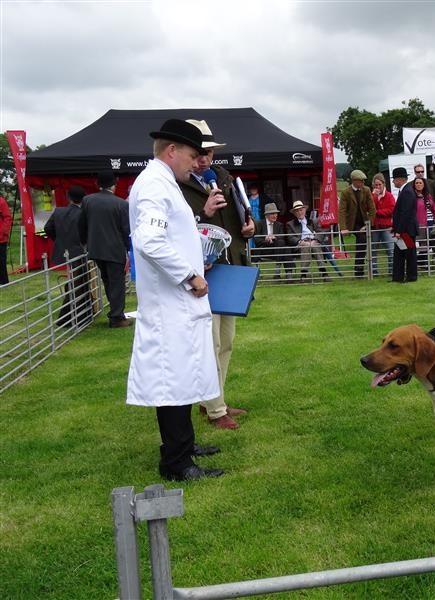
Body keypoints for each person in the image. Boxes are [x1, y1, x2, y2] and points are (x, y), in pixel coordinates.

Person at [127, 118, 223, 481]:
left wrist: (200, 252)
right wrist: (189, 275)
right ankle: (176, 462)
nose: (196, 163)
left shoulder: (164, 182)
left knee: (184, 377)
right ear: (172, 150)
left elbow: (173, 235)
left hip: (178, 302)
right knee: (173, 381)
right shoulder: (155, 184)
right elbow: (150, 241)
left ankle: (184, 445)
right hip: (171, 302)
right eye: (192, 155)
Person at [179, 119, 253, 430]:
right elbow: (178, 229)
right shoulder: (178, 184)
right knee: (209, 343)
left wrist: (250, 226)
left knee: (226, 341)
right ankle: (215, 408)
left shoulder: (223, 178)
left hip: (230, 268)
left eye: (208, 152)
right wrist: (203, 213)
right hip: (202, 273)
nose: (204, 159)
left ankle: (213, 398)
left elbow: (240, 216)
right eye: (199, 153)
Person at [79, 171, 131, 328]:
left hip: (96, 248)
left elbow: (82, 224)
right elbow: (126, 230)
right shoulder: (122, 204)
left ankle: (115, 312)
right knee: (117, 283)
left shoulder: (87, 201)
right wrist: (128, 249)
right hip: (115, 249)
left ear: (97, 184)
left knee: (108, 281)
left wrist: (85, 242)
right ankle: (117, 317)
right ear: (114, 185)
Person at [44, 186, 92, 327]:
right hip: (79, 251)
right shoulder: (83, 214)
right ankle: (67, 317)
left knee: (77, 281)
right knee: (78, 283)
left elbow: (48, 228)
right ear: (83, 199)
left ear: (68, 197)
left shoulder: (59, 212)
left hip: (64, 251)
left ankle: (82, 313)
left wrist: (59, 241)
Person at [338, 169, 376, 278]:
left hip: (364, 222)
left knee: (363, 241)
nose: (363, 183)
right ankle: (359, 267)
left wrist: (368, 224)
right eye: (361, 181)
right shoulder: (346, 192)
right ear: (354, 181)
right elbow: (342, 211)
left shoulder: (366, 190)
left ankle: (359, 268)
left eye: (363, 181)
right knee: (362, 240)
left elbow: (372, 209)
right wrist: (343, 228)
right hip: (353, 223)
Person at [285, 200, 329, 280]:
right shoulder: (290, 224)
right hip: (301, 243)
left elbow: (321, 232)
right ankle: (304, 273)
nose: (299, 212)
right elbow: (290, 237)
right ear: (294, 213)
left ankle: (323, 271)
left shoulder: (312, 221)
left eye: (301, 210)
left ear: (304, 210)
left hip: (313, 240)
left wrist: (316, 239)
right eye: (297, 211)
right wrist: (299, 241)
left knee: (314, 245)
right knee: (306, 245)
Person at [390, 167, 418, 283]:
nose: (393, 182)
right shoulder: (405, 191)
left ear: (400, 179)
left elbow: (405, 213)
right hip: (404, 229)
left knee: (409, 253)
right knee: (399, 253)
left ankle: (411, 277)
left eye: (394, 179)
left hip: (406, 230)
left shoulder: (407, 192)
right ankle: (398, 277)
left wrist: (399, 230)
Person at [254, 202, 292, 279]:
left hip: (276, 248)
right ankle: (285, 272)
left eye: (276, 213)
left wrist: (274, 238)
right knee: (285, 249)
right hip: (264, 248)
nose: (275, 215)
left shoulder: (279, 225)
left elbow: (282, 239)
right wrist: (266, 239)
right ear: (266, 215)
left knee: (285, 247)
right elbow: (257, 240)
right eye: (272, 214)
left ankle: (285, 273)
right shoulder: (259, 224)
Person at [370, 173, 395, 277]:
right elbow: (370, 207)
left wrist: (378, 212)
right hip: (374, 227)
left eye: (379, 184)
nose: (378, 187)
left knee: (390, 249)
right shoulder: (371, 196)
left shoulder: (389, 196)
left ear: (383, 184)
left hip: (386, 227)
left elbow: (391, 209)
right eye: (376, 185)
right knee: (373, 250)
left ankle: (392, 270)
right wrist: (374, 196)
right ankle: (374, 271)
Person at [414, 177, 435, 268]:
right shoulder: (413, 197)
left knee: (430, 242)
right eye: (417, 183)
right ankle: (422, 262)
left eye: (420, 183)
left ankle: (421, 261)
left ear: (424, 185)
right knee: (423, 243)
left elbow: (434, 208)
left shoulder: (427, 195)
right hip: (421, 223)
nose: (418, 184)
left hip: (431, 221)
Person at [0, 195, 13, 285]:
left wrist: (2, 232)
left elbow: (7, 217)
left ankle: (3, 282)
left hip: (1, 238)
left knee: (1, 261)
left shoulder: (1, 201)